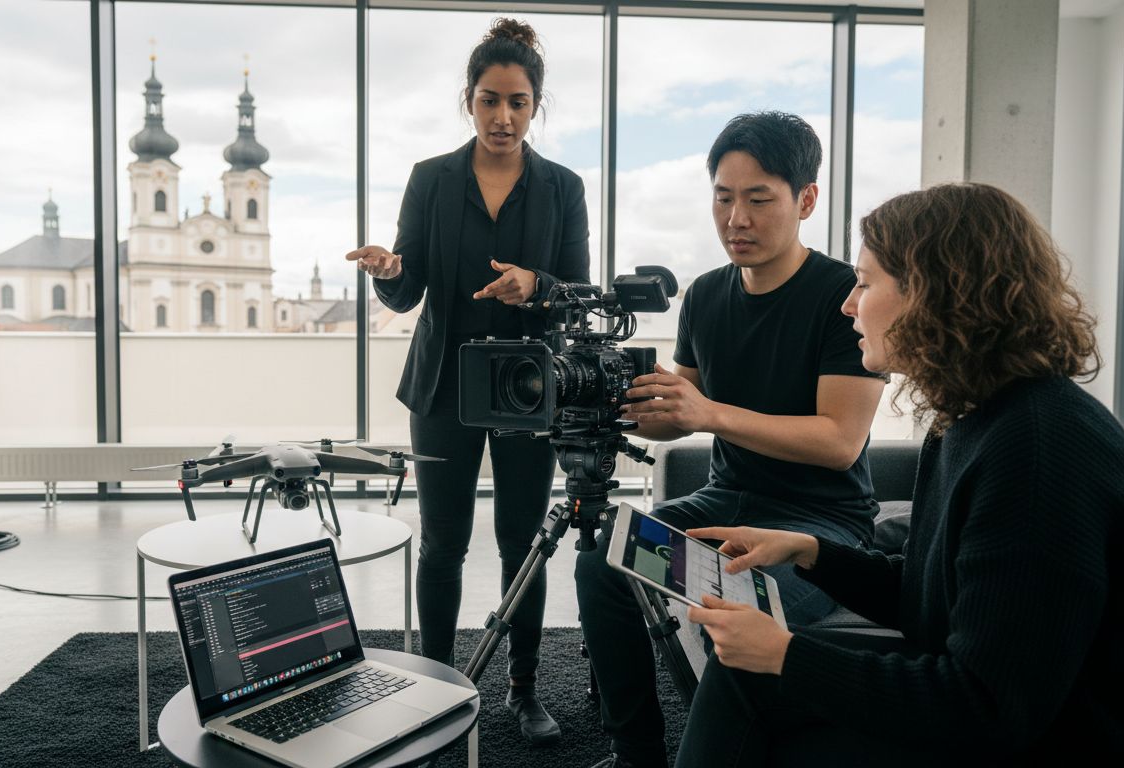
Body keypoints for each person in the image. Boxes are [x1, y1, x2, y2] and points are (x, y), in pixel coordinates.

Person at [675, 183, 1124, 766]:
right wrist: (810, 551)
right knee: (742, 677)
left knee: (761, 674)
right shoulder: (972, 416)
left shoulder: (1036, 456)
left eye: (865, 282)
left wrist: (788, 655)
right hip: (998, 711)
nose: (847, 304)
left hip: (1062, 741)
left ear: (935, 294)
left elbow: (988, 709)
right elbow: (933, 598)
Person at [575, 111, 887, 768]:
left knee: (732, 613)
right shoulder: (708, 295)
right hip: (725, 501)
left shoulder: (843, 296)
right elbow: (677, 414)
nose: (735, 219)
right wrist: (614, 408)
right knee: (600, 560)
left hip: (821, 522)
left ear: (806, 199)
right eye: (722, 197)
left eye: (757, 199)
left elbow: (838, 441)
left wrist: (709, 411)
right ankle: (636, 751)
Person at [345, 18, 589, 746]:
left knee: (522, 542)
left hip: (524, 387)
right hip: (446, 383)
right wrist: (391, 271)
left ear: (534, 106)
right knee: (442, 543)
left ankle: (523, 687)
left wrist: (535, 284)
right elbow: (409, 285)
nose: (503, 117)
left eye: (517, 102)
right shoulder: (431, 179)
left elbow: (574, 290)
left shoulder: (563, 188)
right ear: (469, 101)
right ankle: (434, 687)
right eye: (490, 101)